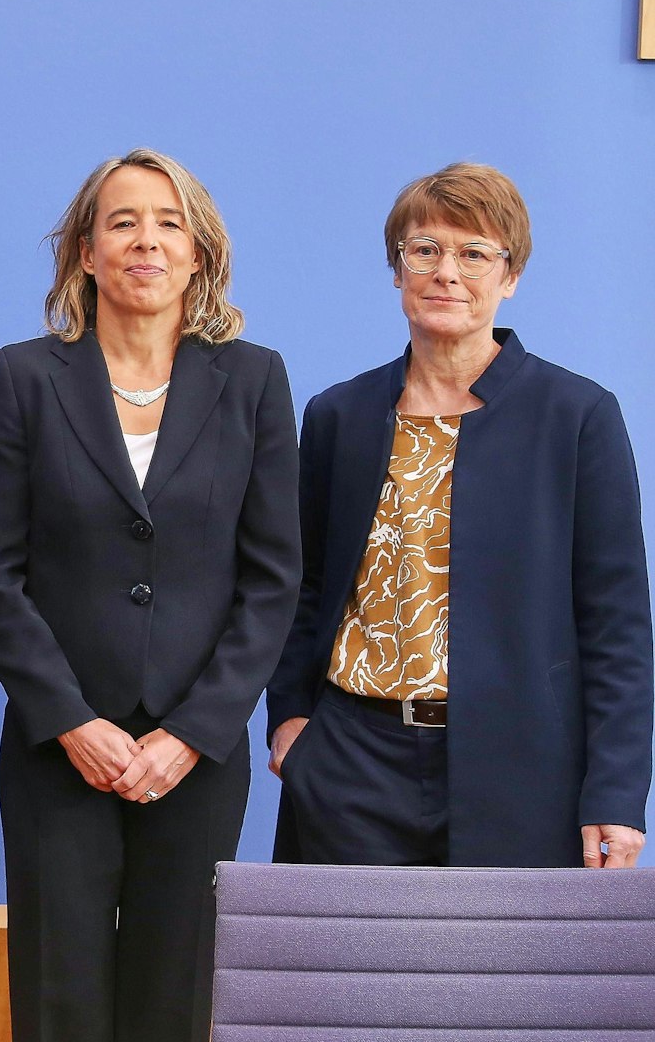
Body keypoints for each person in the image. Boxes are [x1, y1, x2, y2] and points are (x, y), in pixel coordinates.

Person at [0, 149, 300, 1042]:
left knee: (172, 996)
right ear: (84, 251)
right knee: (57, 995)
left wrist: (192, 731)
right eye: (120, 221)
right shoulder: (26, 375)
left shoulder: (252, 381)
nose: (144, 240)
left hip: (194, 756)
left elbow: (272, 580)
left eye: (167, 222)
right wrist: (69, 718)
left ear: (199, 253)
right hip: (58, 750)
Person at [267, 162, 649, 869]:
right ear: (397, 270)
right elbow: (301, 584)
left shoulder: (576, 416)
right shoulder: (340, 415)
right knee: (349, 947)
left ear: (511, 276)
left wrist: (617, 793)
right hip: (353, 759)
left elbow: (616, 622)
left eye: (474, 254)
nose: (447, 272)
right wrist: (289, 717)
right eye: (425, 250)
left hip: (523, 766)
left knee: (500, 947)